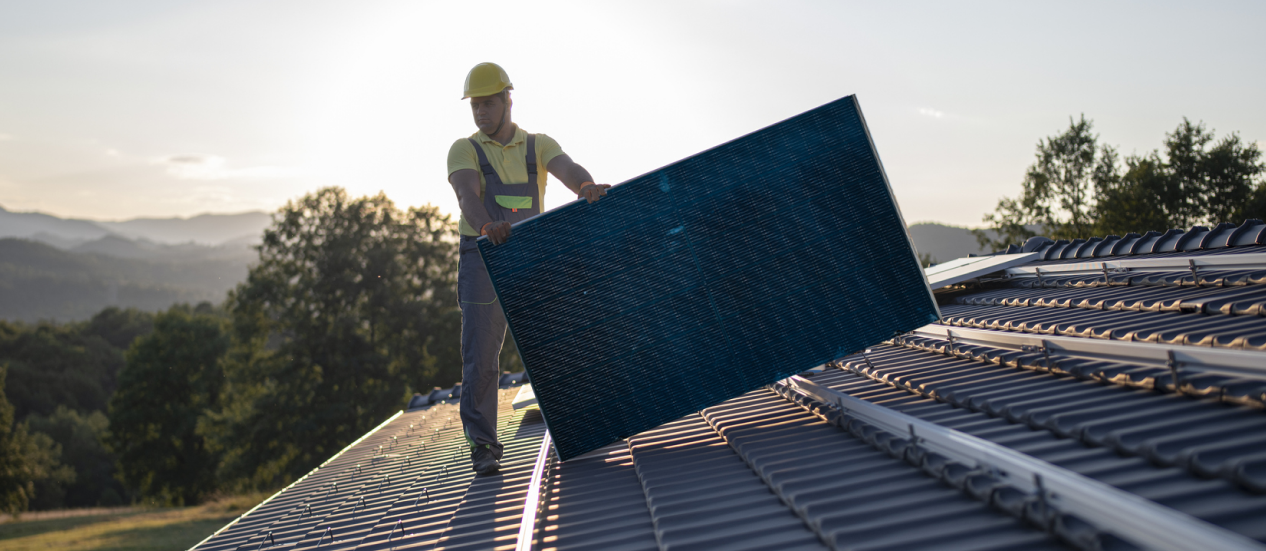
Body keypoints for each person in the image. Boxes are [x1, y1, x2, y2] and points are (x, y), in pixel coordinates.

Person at [446, 62, 610, 475]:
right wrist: (487, 227)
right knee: (481, 358)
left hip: (529, 254)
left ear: (508, 100)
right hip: (482, 256)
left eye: (488, 104)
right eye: (475, 106)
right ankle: (483, 447)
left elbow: (569, 169)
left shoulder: (538, 145)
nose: (481, 112)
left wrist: (585, 186)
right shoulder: (463, 149)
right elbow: (467, 194)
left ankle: (581, 423)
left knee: (555, 342)